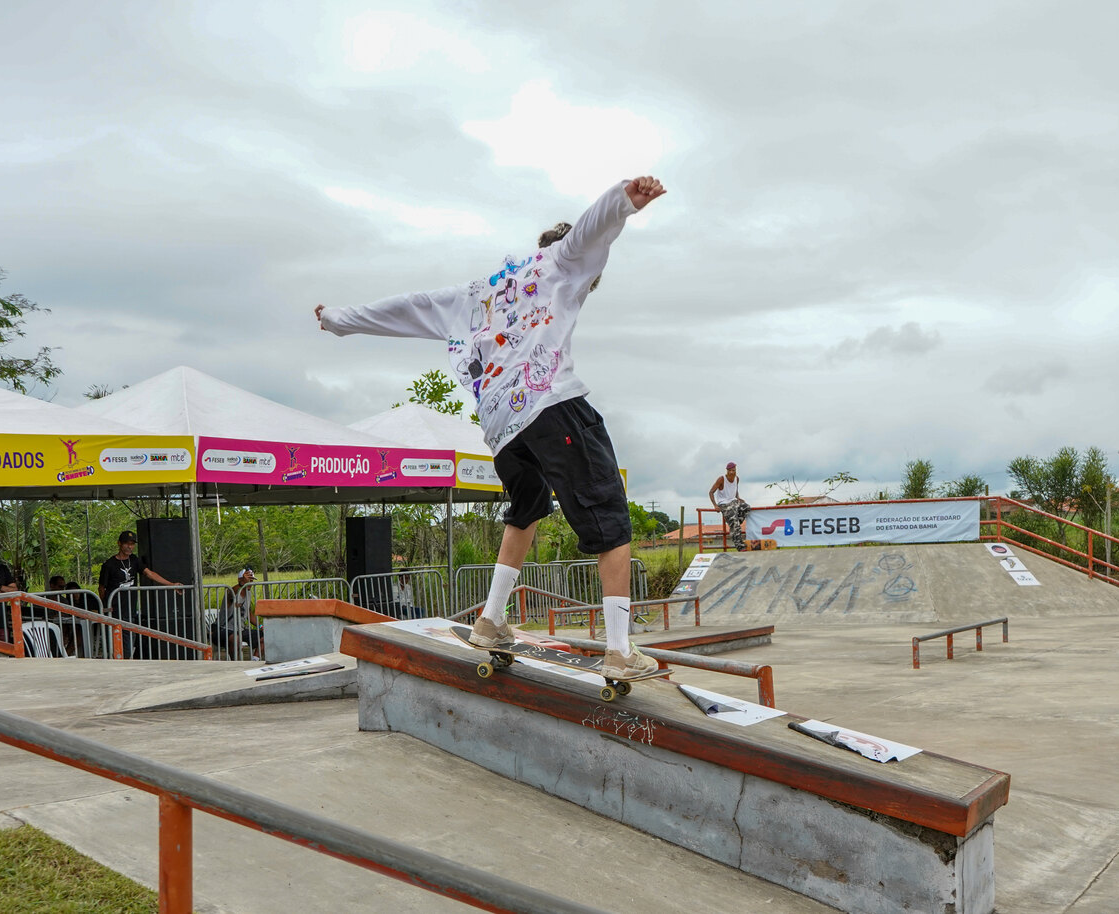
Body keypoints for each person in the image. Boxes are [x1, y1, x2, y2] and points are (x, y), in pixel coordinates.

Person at [315, 175, 666, 679]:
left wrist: (337, 319)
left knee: (526, 508)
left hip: (502, 428)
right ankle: (619, 650)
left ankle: (490, 619)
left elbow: (407, 307)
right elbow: (590, 231)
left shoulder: (480, 293)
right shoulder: (564, 260)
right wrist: (623, 202)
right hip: (550, 405)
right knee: (609, 518)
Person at [97, 530, 180, 659]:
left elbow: (149, 573)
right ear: (119, 544)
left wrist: (171, 584)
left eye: (132, 544)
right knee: (119, 640)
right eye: (126, 544)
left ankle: (125, 661)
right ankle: (119, 663)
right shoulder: (109, 565)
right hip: (115, 609)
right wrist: (105, 606)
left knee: (130, 639)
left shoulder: (134, 560)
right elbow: (101, 587)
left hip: (130, 609)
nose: (130, 547)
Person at [215, 568, 261, 660]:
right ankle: (235, 662)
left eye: (251, 580)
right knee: (235, 638)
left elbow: (248, 612)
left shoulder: (248, 593)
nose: (250, 583)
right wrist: (242, 584)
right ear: (240, 580)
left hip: (241, 629)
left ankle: (255, 660)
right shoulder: (233, 591)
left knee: (265, 635)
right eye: (248, 580)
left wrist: (260, 626)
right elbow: (232, 592)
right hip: (224, 629)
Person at [709, 462, 750, 551]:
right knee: (735, 524)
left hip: (733, 501)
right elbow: (711, 492)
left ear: (736, 470)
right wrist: (715, 505)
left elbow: (735, 489)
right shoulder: (721, 479)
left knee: (746, 507)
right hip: (724, 504)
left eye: (733, 470)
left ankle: (733, 527)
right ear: (727, 471)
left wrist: (738, 497)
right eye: (730, 471)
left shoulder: (737, 479)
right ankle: (740, 546)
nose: (731, 472)